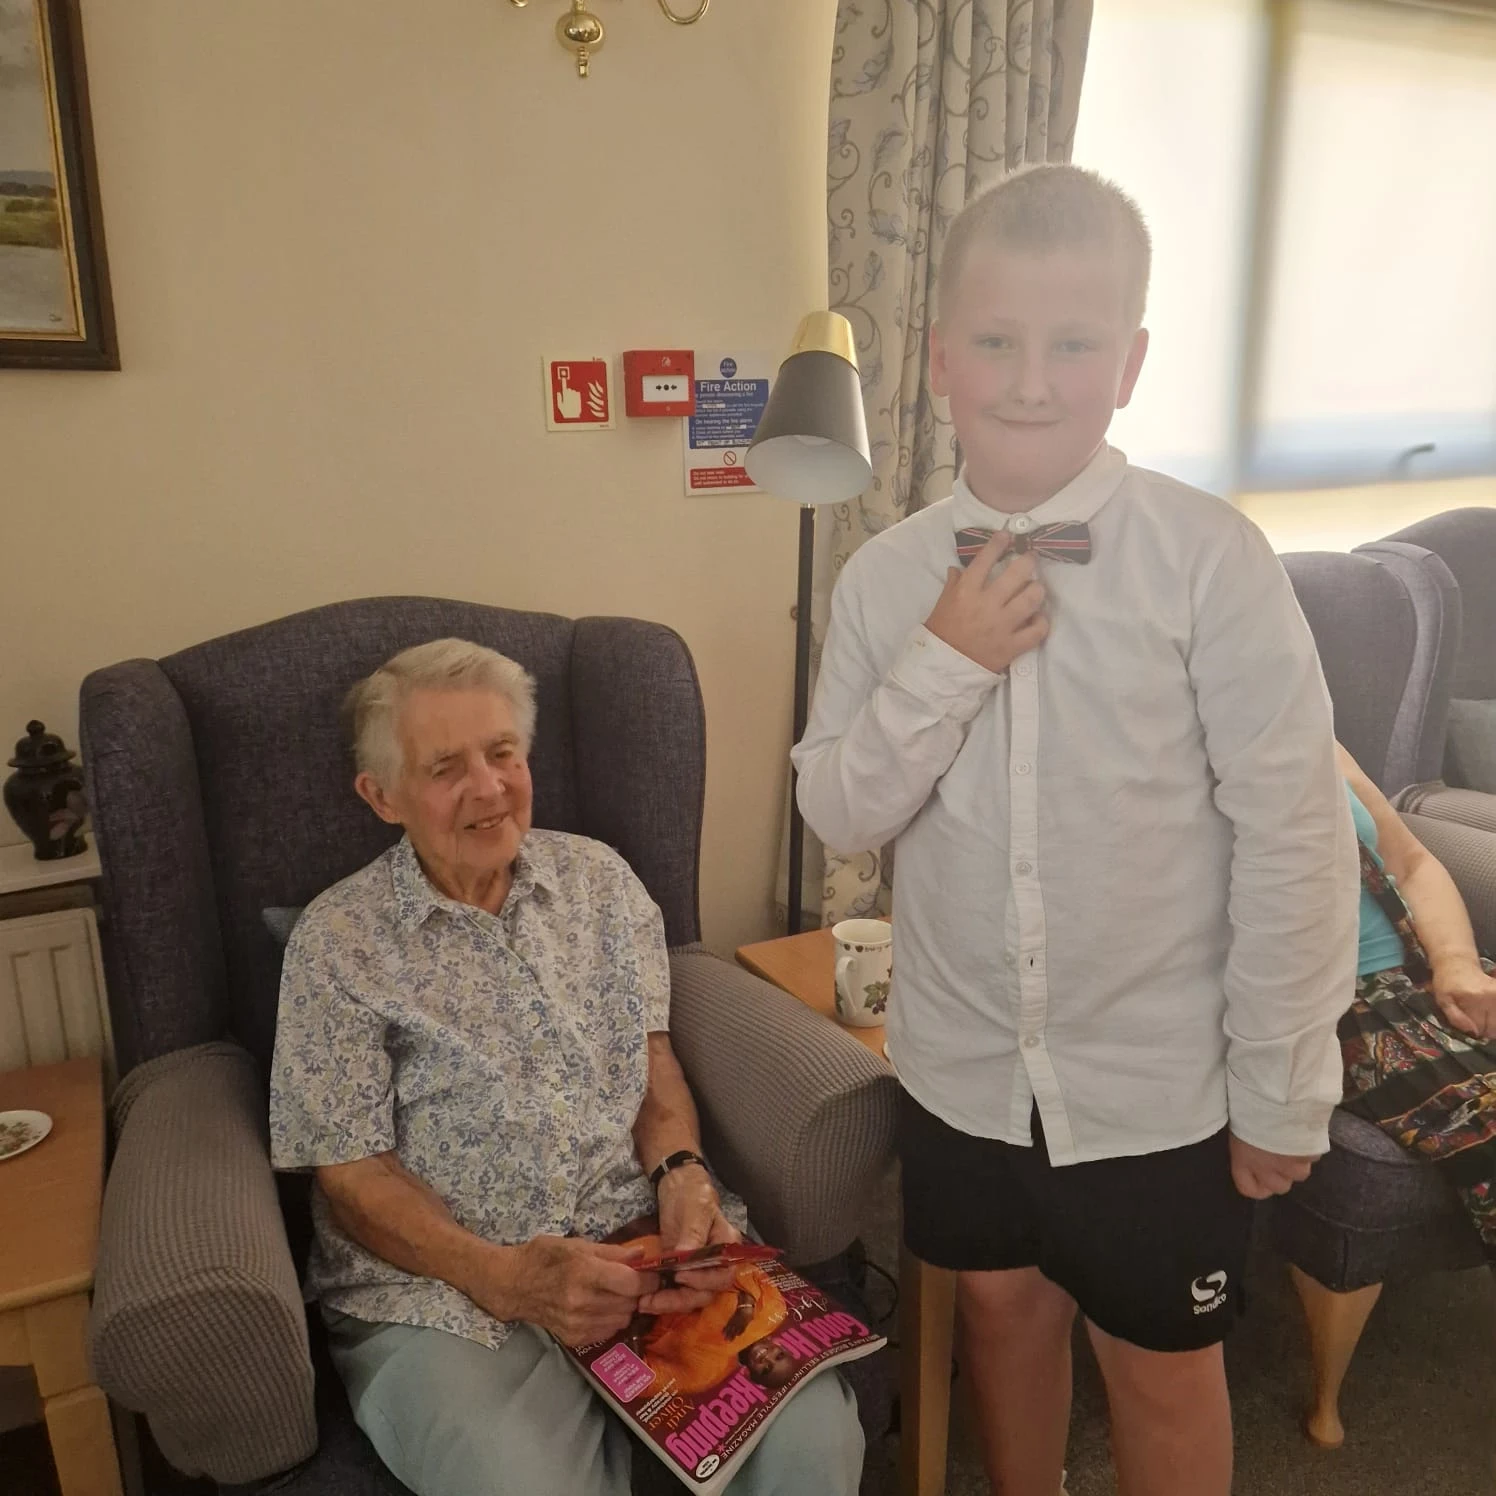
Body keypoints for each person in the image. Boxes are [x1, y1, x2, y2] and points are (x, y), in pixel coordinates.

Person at [792, 164, 1359, 1496]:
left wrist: (1285, 1081)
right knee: (999, 1322)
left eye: (1073, 344)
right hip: (962, 1067)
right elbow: (840, 808)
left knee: (1163, 1373)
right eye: (996, 342)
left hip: (1159, 1085)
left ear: (1131, 362)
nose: (1031, 378)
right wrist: (946, 657)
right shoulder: (884, 582)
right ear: (940, 360)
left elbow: (1293, 837)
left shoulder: (1211, 559)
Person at [268, 638, 863, 1496]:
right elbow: (353, 1175)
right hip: (446, 1293)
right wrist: (506, 1278)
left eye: (503, 752)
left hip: (638, 1248)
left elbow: (651, 1063)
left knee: (813, 1444)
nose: (489, 787)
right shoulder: (340, 943)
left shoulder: (601, 882)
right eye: (445, 767)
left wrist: (684, 1172)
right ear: (382, 795)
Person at [1337, 741, 1496, 1224]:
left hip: (1419, 970)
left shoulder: (1306, 724)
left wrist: (1457, 963)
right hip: (1338, 1006)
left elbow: (1410, 864)